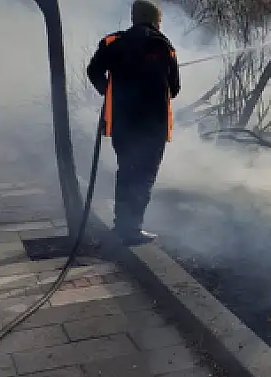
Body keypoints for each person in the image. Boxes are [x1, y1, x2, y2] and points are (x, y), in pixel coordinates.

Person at [87, 0, 180, 245]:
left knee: (127, 171)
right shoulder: (164, 46)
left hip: (123, 123)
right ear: (154, 20)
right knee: (144, 177)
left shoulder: (113, 43)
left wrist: (108, 91)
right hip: (154, 127)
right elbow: (175, 88)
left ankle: (122, 226)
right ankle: (132, 230)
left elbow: (93, 71)